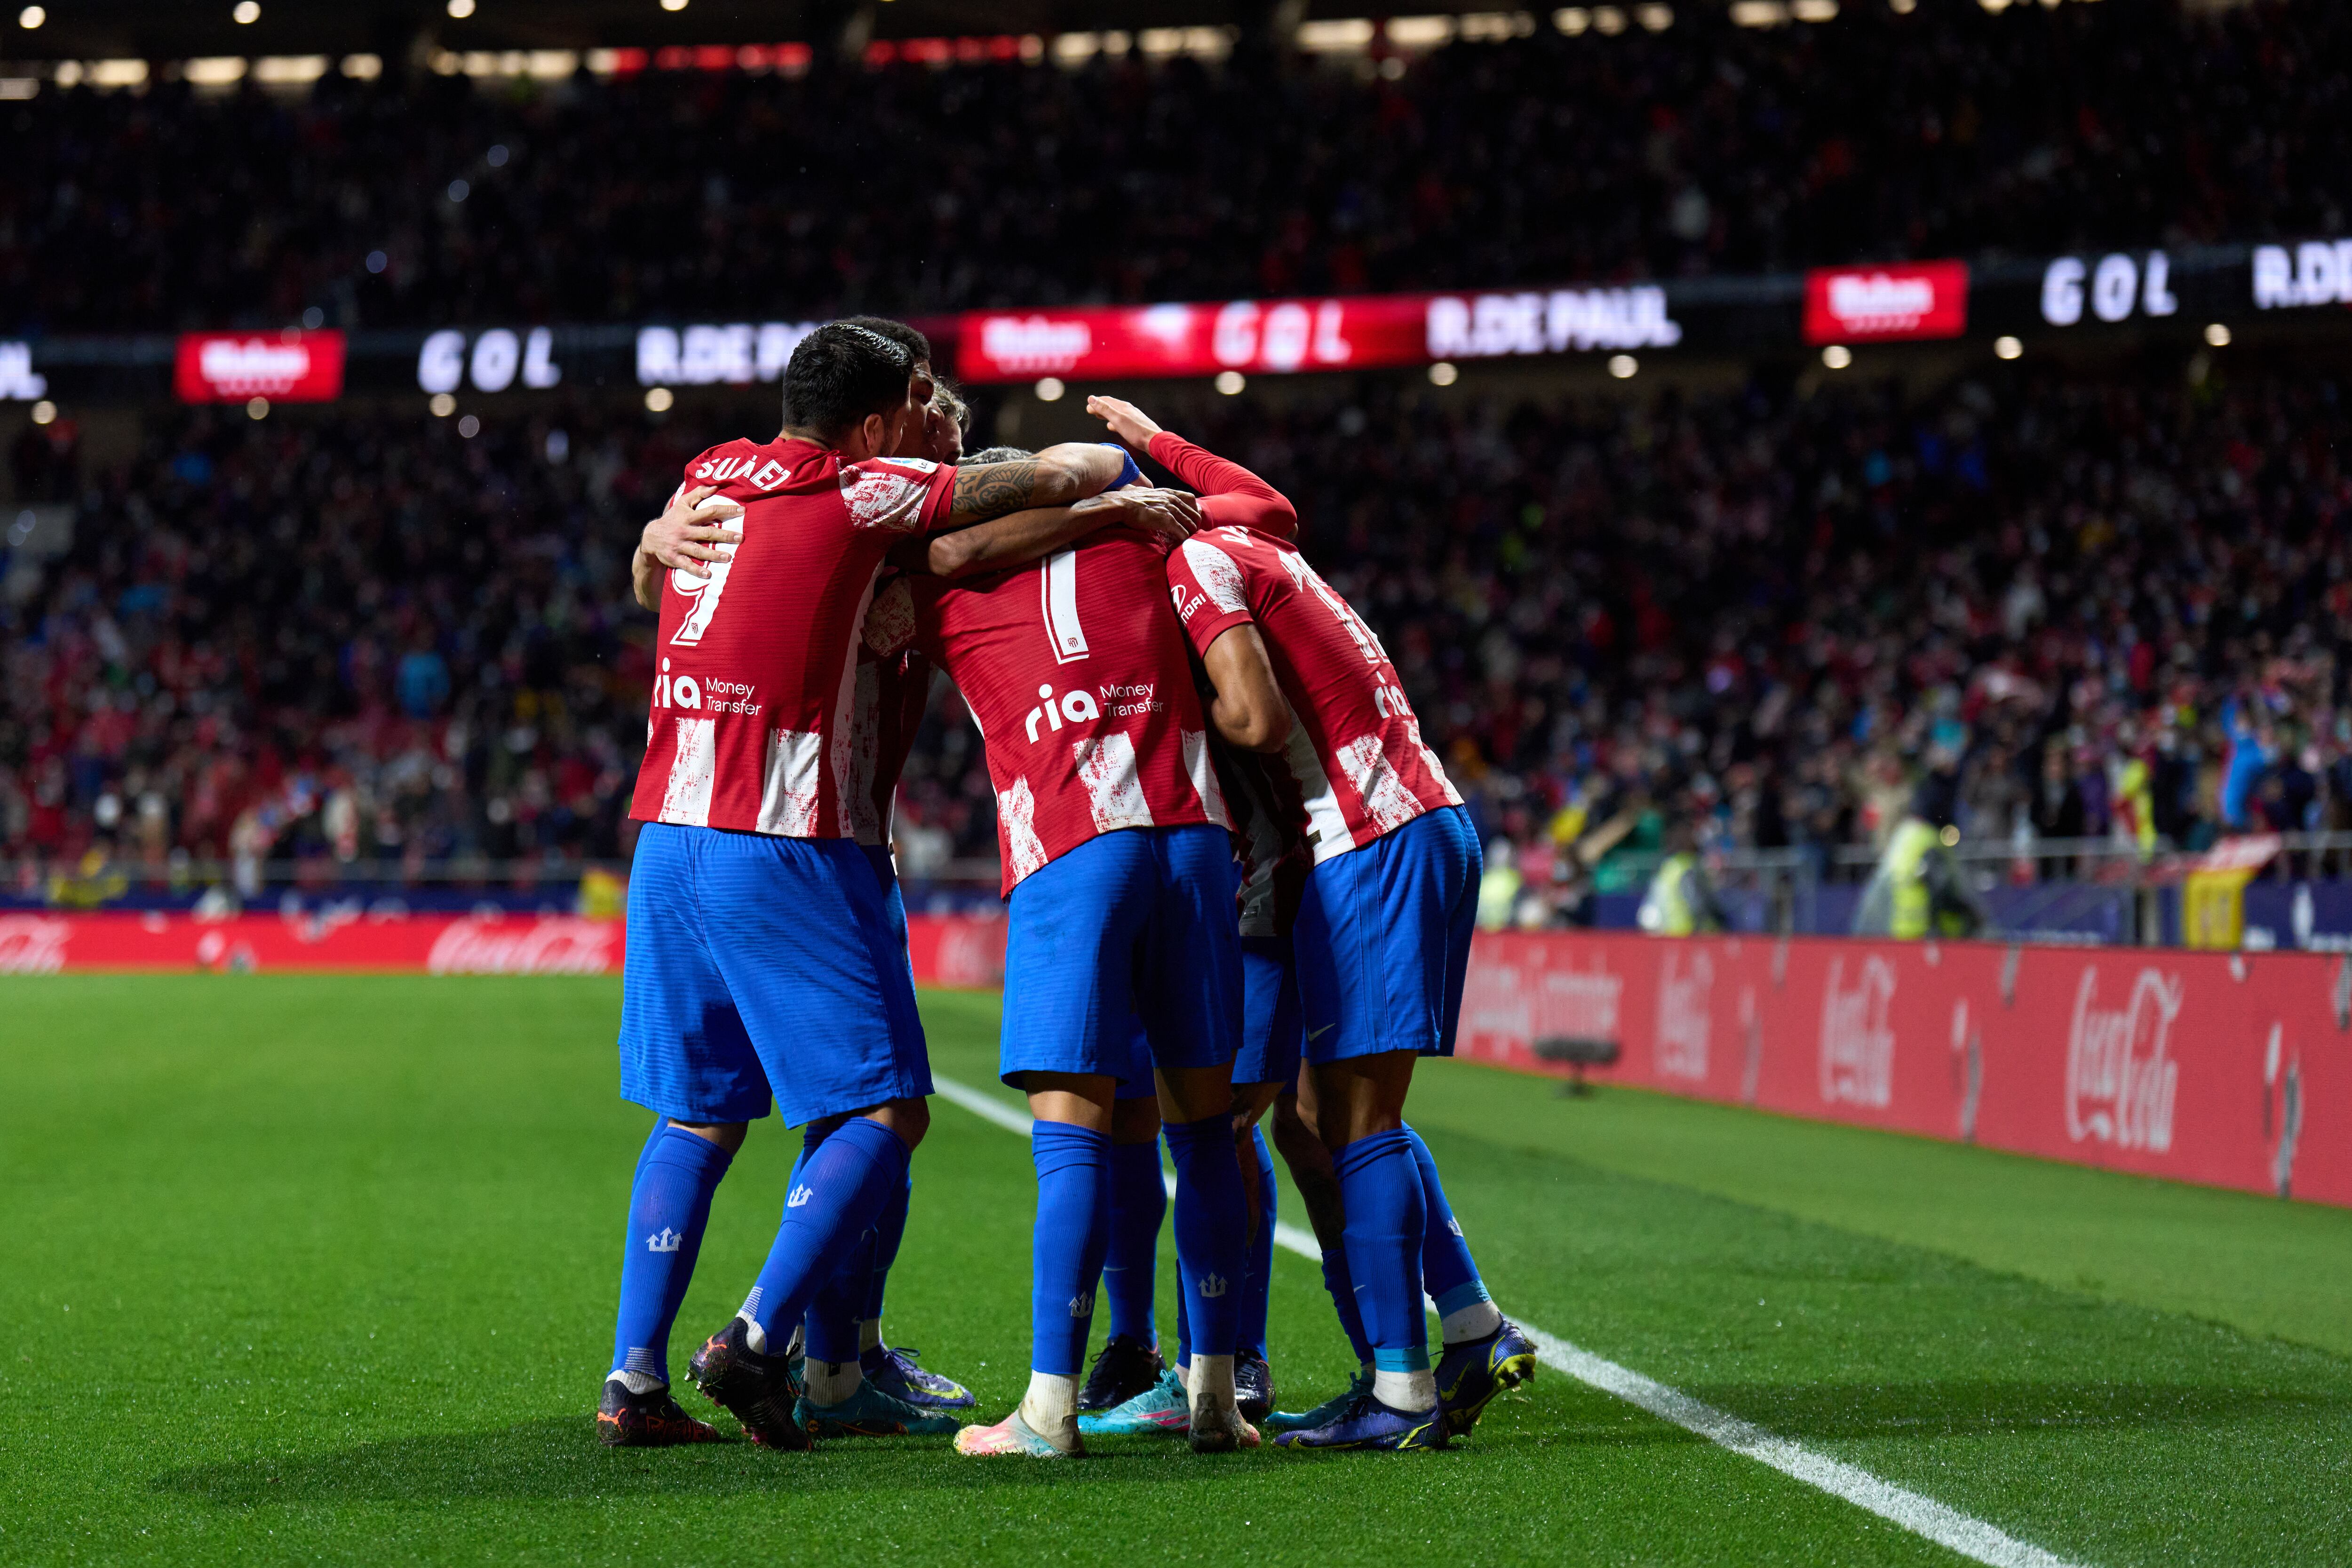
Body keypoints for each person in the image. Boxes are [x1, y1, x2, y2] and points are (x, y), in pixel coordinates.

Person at [597, 322, 1135, 1449]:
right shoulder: (870, 496)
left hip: (672, 834)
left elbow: (666, 562)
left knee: (702, 1112)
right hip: (790, 835)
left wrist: (649, 540)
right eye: (929, 400)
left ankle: (645, 1380)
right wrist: (1110, 497)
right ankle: (766, 1340)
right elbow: (998, 518)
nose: (947, 416)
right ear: (884, 424)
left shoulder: (713, 474)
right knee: (886, 1107)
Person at [1119, 396, 1537, 1452]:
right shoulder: (1250, 541)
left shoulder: (1194, 569)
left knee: (1344, 1124)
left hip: (1366, 840)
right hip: (1408, 825)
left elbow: (1254, 719)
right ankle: (1471, 1329)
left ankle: (1396, 1389)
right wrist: (1153, 435)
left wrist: (1159, 707)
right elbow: (1267, 498)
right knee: (1329, 1110)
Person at [866, 445, 1256, 1458]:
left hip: (1075, 848)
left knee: (1071, 1133)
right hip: (1194, 838)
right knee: (1205, 1131)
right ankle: (1214, 1394)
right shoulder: (1152, 543)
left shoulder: (944, 571)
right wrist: (1121, 506)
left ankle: (1050, 1408)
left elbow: (930, 572)